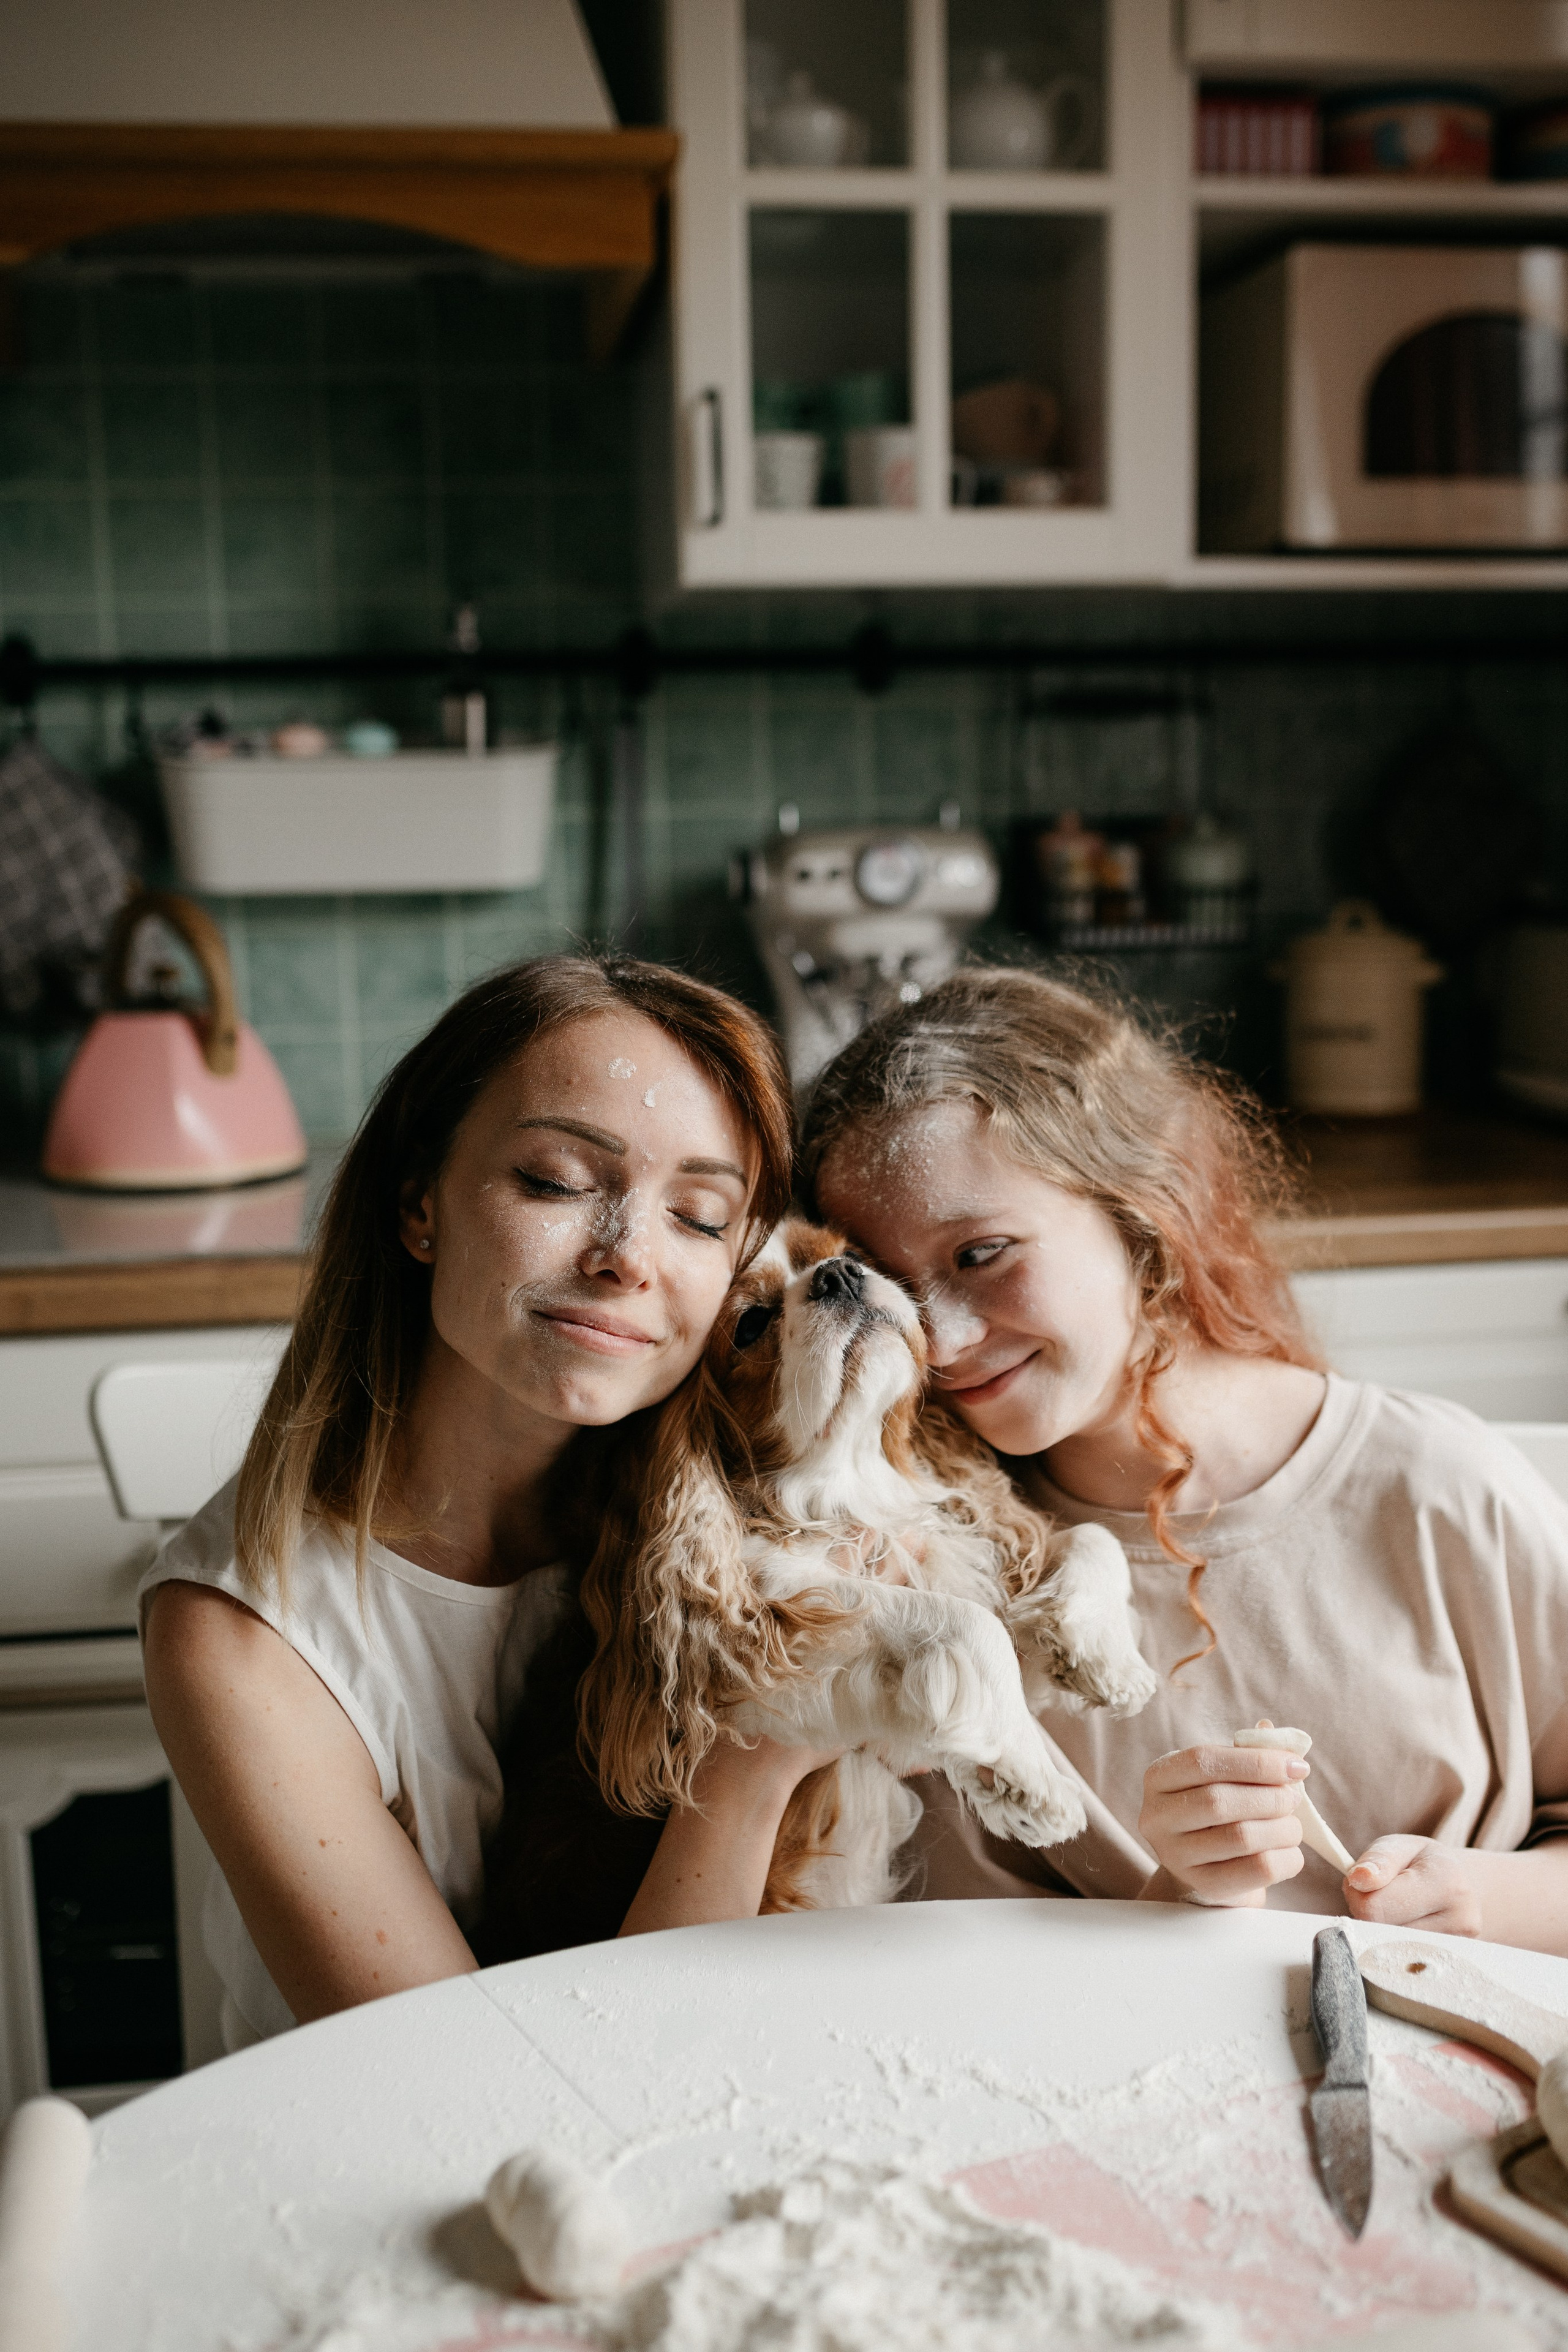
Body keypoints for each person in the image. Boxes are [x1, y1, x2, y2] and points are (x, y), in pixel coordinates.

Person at [799, 964, 1568, 1955]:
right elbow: (961, 1990)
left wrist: (1489, 1901)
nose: (940, 1341)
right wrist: (1172, 1905)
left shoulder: (1439, 1492)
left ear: (1142, 1203)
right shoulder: (931, 1593)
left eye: (982, 1254)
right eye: (894, 1290)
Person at [143, 952, 827, 2045]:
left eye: (699, 1217)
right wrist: (758, 1766)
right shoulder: (242, 1631)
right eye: (556, 1182)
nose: (626, 1259)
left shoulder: (739, 1520)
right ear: (420, 1205)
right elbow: (468, 2086)